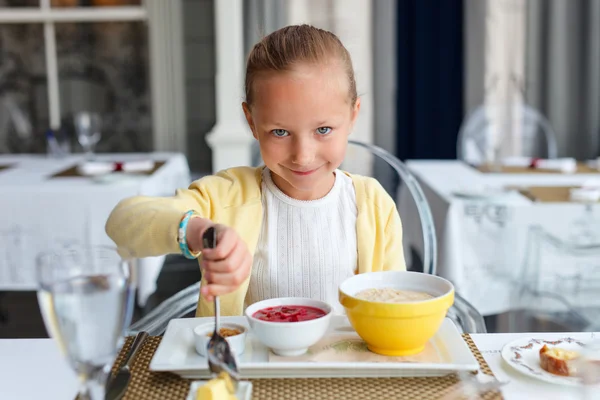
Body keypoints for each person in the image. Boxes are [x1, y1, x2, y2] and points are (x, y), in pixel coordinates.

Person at [105, 24, 406, 317]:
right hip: (246, 367)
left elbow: (396, 308)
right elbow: (122, 222)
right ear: (251, 121)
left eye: (323, 129)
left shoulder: (373, 205)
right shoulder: (225, 198)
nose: (303, 156)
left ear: (353, 115)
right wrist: (200, 232)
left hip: (346, 366)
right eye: (279, 132)